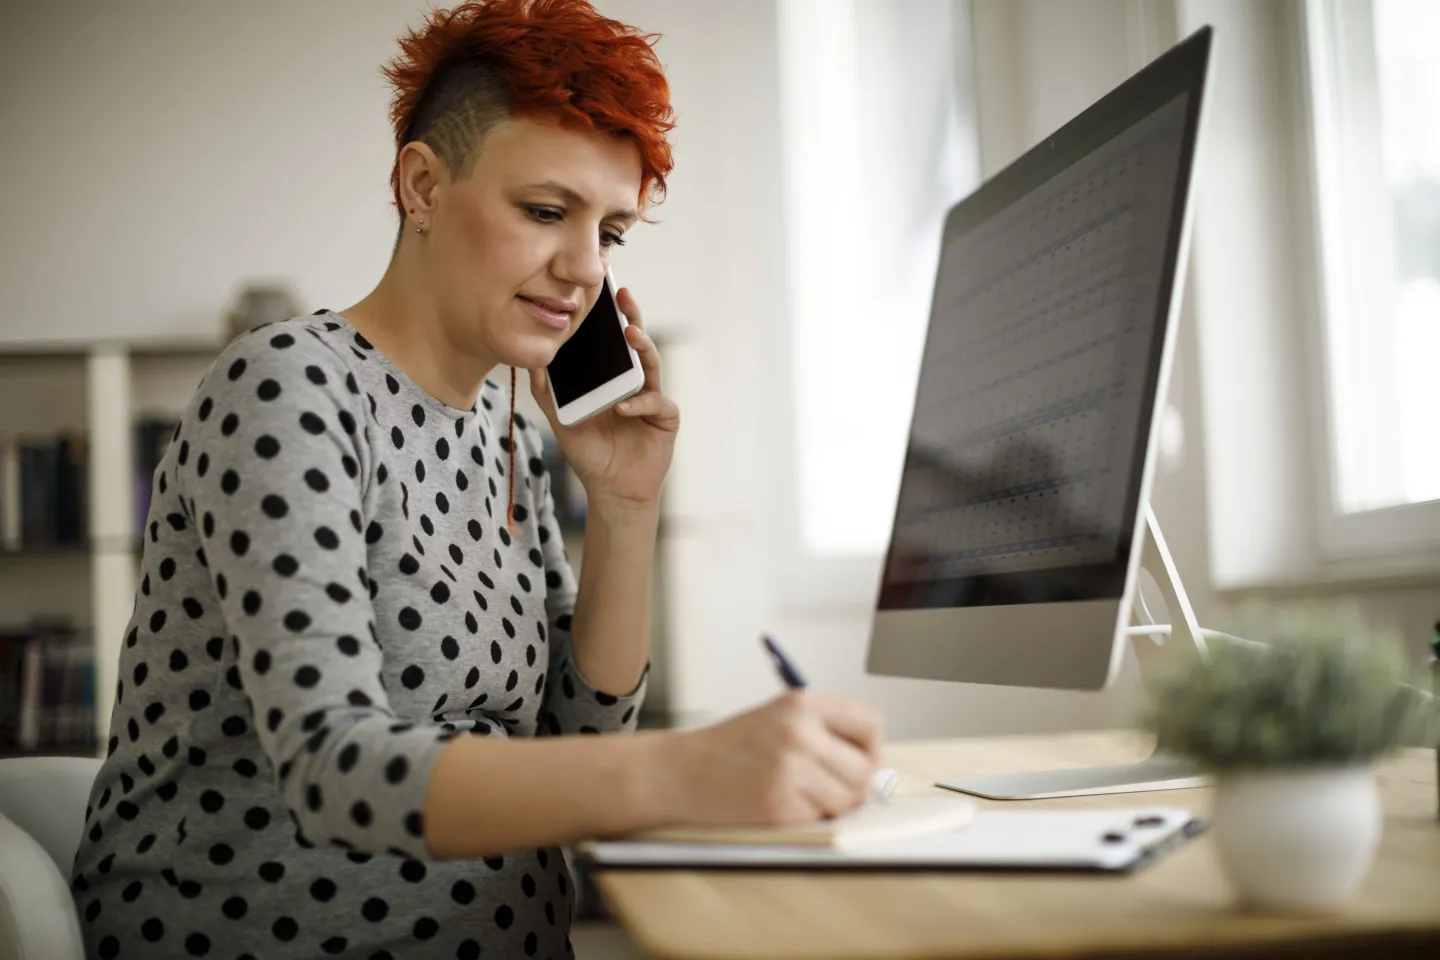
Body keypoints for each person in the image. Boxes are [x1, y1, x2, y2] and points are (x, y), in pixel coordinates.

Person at [71, 2, 883, 958]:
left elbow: (581, 750)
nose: (583, 269)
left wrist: (624, 506)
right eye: (546, 212)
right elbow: (337, 771)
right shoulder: (288, 382)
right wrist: (693, 767)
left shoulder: (503, 426)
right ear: (422, 185)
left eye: (611, 232)